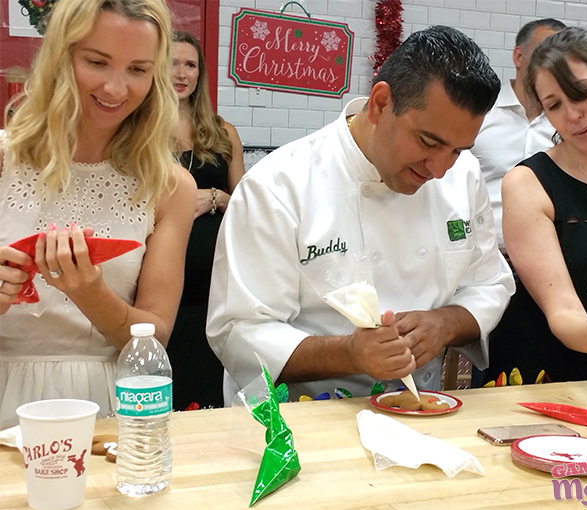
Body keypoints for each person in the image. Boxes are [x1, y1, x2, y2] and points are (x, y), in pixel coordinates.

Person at [206, 26, 515, 404]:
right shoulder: (279, 185)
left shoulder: (463, 176)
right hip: (298, 421)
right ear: (380, 103)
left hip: (417, 410)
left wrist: (444, 324)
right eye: (428, 142)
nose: (439, 170)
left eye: (456, 150)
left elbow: (489, 284)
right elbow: (239, 330)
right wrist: (350, 352)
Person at [0, 0, 196, 428]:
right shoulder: (3, 162)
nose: (115, 88)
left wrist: (91, 294)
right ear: (60, 56)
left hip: (107, 408)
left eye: (138, 70)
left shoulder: (170, 187)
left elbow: (155, 338)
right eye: (97, 62)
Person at [482, 27, 587, 385]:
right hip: (546, 379)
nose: (573, 115)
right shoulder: (528, 184)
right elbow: (563, 313)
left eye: (581, 93)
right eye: (554, 105)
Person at [166, 31, 245, 410]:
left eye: (190, 64)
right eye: (172, 63)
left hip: (214, 288)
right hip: (162, 285)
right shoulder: (137, 133)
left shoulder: (223, 132)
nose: (181, 73)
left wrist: (215, 197)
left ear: (200, 74)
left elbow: (249, 206)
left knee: (209, 387)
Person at [471, 18, 566, 252]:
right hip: (481, 258)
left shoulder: (568, 125)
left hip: (547, 259)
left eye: (560, 58)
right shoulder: (480, 112)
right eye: (543, 53)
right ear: (518, 57)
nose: (551, 65)